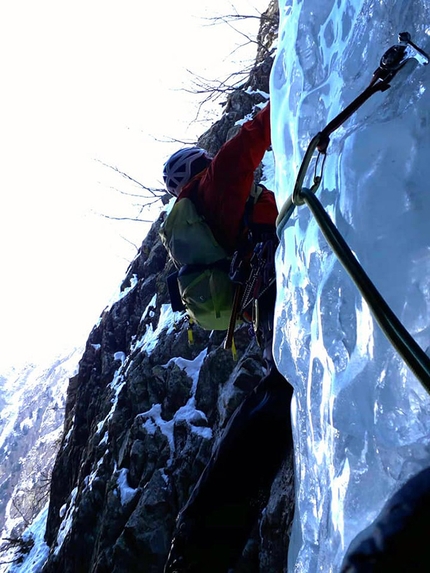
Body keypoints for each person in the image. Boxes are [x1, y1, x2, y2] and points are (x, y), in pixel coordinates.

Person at [162, 101, 294, 572]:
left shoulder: (203, 213)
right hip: (277, 286)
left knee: (281, 387)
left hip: (261, 296)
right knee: (281, 391)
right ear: (199, 165)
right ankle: (200, 534)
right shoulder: (216, 183)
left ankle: (201, 536)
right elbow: (256, 134)